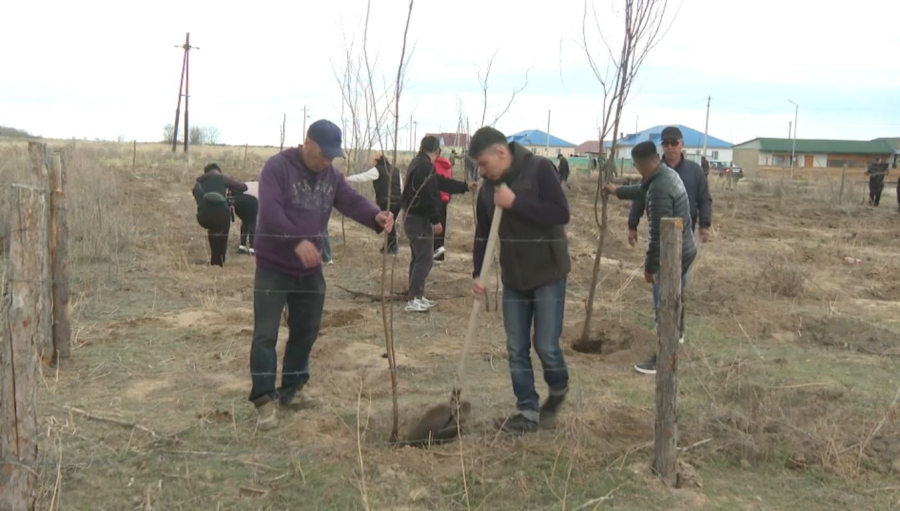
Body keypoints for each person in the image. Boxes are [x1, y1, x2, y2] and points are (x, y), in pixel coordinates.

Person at [250, 119, 393, 430]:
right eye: (322, 155)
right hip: (273, 266)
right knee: (266, 333)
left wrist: (376, 216)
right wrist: (296, 241)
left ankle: (292, 389)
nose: (326, 161)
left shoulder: (330, 175)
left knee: (307, 329)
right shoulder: (277, 168)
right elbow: (271, 212)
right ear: (307, 143)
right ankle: (264, 400)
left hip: (309, 269)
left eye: (331, 156)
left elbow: (350, 200)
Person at [469, 127, 571, 433]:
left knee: (546, 345)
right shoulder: (488, 187)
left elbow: (560, 213)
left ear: (501, 153)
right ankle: (526, 410)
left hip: (548, 272)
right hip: (514, 275)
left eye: (484, 164)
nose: (482, 171)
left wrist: (516, 203)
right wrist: (479, 273)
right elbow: (483, 233)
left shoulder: (539, 169)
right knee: (515, 347)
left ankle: (558, 388)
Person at [604, 141, 697, 375]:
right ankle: (676, 338)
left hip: (674, 254)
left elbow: (658, 234)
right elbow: (641, 189)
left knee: (665, 303)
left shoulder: (659, 189)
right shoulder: (664, 173)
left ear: (638, 165)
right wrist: (617, 191)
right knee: (673, 300)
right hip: (685, 248)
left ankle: (663, 359)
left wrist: (650, 267)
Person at [401, 136, 473, 313]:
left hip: (413, 216)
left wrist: (464, 187)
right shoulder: (424, 166)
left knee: (417, 258)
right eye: (438, 151)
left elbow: (440, 183)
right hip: (418, 218)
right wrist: (435, 219)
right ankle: (413, 299)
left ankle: (417, 295)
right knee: (425, 259)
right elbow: (427, 195)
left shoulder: (420, 164)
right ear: (435, 150)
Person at [627, 126, 711, 248]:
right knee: (657, 265)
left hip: (686, 233)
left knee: (684, 266)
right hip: (658, 233)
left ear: (682, 144)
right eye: (666, 143)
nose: (670, 147)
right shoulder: (653, 171)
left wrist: (704, 225)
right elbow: (640, 197)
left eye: (674, 143)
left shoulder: (695, 171)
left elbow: (704, 199)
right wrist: (632, 226)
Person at [346, 154, 404, 255]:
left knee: (389, 223)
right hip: (398, 200)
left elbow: (363, 177)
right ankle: (388, 247)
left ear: (377, 160)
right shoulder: (396, 170)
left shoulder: (378, 170)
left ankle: (393, 248)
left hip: (386, 200)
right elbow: (401, 186)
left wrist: (348, 178)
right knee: (391, 222)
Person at [192, 163, 247, 266]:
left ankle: (215, 260)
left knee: (212, 231)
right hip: (221, 214)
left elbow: (197, 197)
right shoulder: (221, 178)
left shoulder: (198, 184)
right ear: (217, 170)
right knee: (222, 235)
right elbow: (242, 188)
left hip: (203, 216)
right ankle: (218, 263)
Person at [432, 150, 471, 262]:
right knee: (441, 227)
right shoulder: (447, 165)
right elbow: (447, 181)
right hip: (445, 198)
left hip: (435, 197)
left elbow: (437, 182)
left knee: (433, 226)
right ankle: (439, 257)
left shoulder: (433, 165)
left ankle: (433, 255)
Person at [232, 180, 258, 256]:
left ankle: (242, 246)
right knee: (252, 222)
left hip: (238, 200)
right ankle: (252, 248)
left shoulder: (246, 183)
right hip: (252, 201)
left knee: (245, 221)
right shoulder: (263, 185)